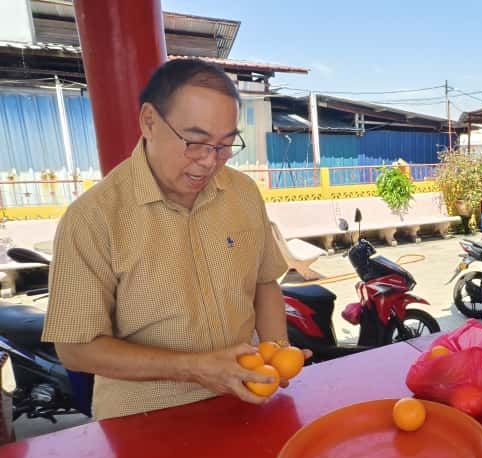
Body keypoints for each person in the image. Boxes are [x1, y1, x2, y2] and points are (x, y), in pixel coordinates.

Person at [42, 59, 299, 420]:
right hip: (144, 420)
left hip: (244, 401)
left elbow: (264, 280)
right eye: (195, 142)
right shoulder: (93, 217)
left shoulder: (242, 193)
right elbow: (76, 348)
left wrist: (276, 351)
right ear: (149, 121)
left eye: (225, 145)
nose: (210, 161)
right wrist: (193, 368)